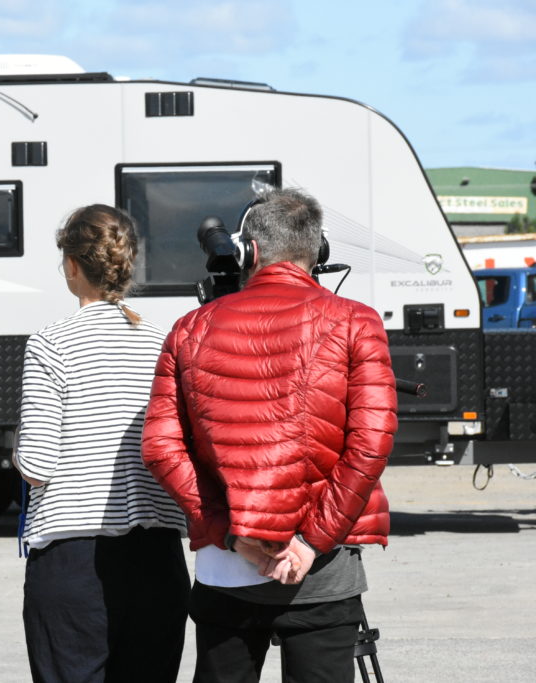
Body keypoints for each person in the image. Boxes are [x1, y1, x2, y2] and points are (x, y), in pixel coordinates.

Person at [142, 188, 398, 682]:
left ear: (250, 252)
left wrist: (229, 533)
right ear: (317, 251)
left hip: (226, 574)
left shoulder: (189, 328)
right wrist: (309, 542)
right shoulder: (356, 322)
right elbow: (370, 444)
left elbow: (160, 446)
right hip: (323, 573)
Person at [14, 204, 190, 683]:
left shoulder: (51, 343)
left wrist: (17, 445)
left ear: (73, 266)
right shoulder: (163, 341)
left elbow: (38, 464)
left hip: (74, 562)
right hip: (158, 557)